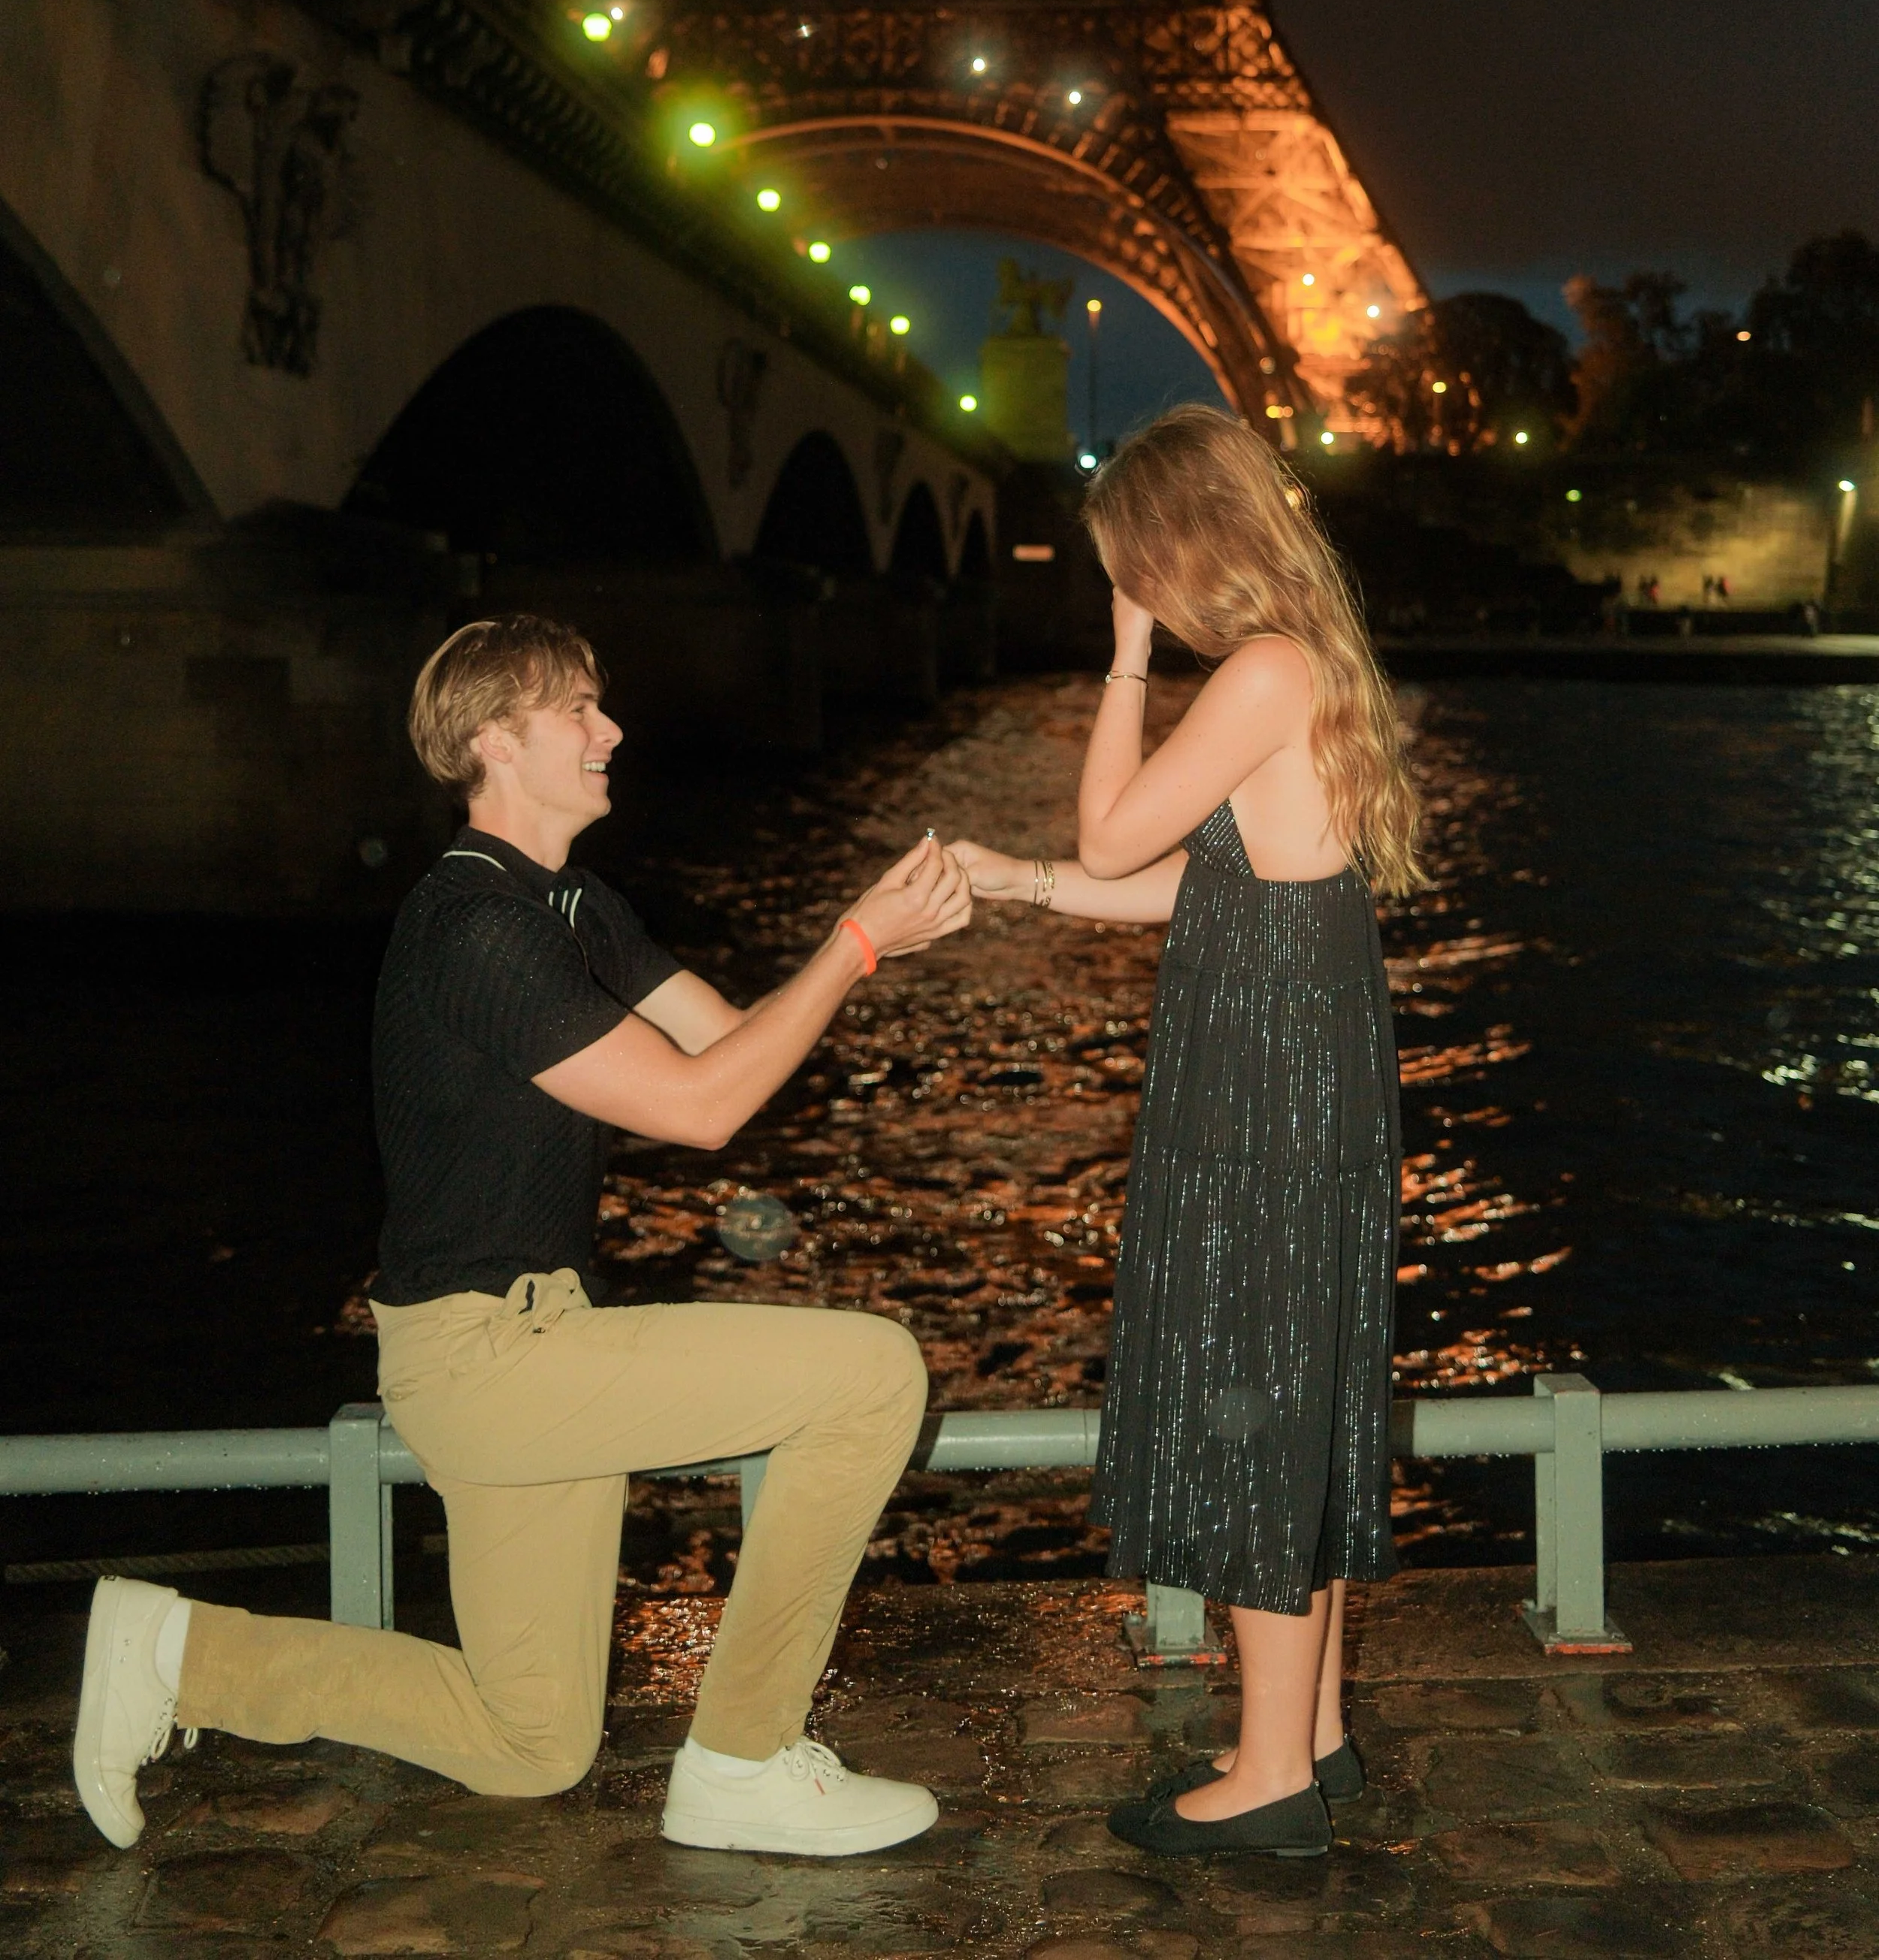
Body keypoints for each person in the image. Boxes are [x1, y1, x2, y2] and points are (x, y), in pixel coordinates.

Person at [74, 616, 970, 1860]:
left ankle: (175, 1651)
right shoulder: (476, 928)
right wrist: (853, 944)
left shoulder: (566, 905)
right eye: (581, 711)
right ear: (495, 740)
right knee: (873, 1374)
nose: (613, 731)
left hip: (534, 1341)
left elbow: (721, 1042)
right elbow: (704, 1112)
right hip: (484, 1356)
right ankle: (744, 1758)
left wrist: (869, 944)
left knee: (531, 1740)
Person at [950, 408, 1418, 1860]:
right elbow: (1220, 885)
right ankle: (1313, 1735)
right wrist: (1020, 883)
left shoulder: (1258, 669)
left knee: (1266, 1386)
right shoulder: (1308, 668)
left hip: (1267, 1089)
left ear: (1168, 550)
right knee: (1302, 1375)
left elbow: (1116, 839)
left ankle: (1271, 1776)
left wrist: (1127, 652)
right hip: (1304, 1067)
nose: (1123, 584)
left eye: (1126, 563)